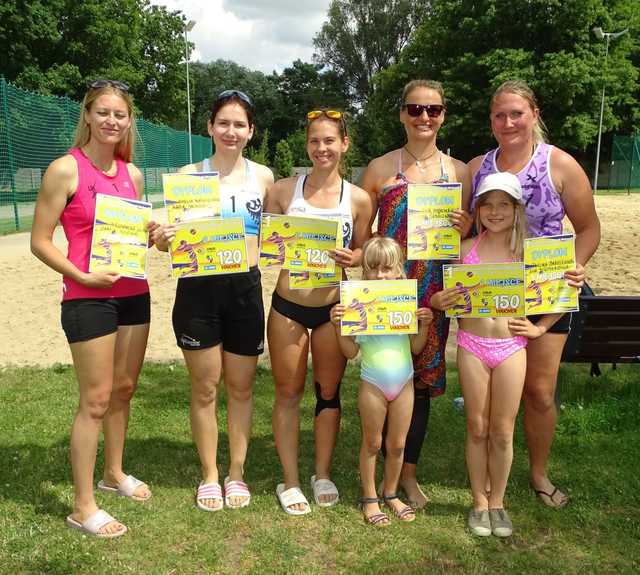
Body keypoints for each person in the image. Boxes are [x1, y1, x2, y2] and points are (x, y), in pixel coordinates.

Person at [468, 80, 601, 508]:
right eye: (499, 115)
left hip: (546, 290)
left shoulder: (559, 164)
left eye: (516, 114)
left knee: (540, 392)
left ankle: (539, 473)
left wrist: (574, 268)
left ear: (534, 114)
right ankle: (488, 465)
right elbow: (469, 230)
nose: (508, 123)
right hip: (494, 290)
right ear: (491, 121)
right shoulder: (478, 167)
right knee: (491, 394)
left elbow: (589, 228)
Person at [31, 79, 155, 538]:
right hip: (88, 297)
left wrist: (154, 235)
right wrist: (81, 276)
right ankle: (83, 505)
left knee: (123, 389)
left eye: (119, 115)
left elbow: (132, 235)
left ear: (128, 121)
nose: (111, 121)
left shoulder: (134, 174)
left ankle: (114, 473)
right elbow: (39, 241)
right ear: (86, 115)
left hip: (133, 293)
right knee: (96, 400)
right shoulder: (66, 169)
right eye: (103, 112)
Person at [153, 90, 274, 510]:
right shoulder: (190, 175)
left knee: (240, 388)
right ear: (209, 127)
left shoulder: (264, 177)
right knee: (205, 388)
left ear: (251, 131)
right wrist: (163, 239)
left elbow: (277, 234)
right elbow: (169, 243)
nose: (231, 131)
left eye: (239, 124)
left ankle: (236, 473)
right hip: (199, 291)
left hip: (245, 289)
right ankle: (209, 474)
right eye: (223, 122)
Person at [360, 79, 473, 507]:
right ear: (402, 114)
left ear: (443, 114)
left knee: (420, 383)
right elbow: (365, 237)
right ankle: (375, 465)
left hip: (433, 294)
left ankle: (406, 474)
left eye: (433, 109)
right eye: (415, 109)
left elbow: (475, 239)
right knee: (381, 370)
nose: (424, 117)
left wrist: (467, 230)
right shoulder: (379, 168)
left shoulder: (459, 172)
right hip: (389, 289)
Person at [432, 172, 561, 536]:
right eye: (487, 204)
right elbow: (441, 297)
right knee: (477, 426)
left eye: (504, 204)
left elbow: (560, 297)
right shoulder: (464, 249)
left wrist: (539, 328)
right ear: (478, 209)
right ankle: (479, 501)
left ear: (517, 209)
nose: (495, 211)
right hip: (472, 346)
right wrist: (440, 301)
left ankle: (498, 502)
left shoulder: (529, 253)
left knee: (503, 432)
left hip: (511, 348)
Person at [265, 108, 374, 515]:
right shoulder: (281, 191)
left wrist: (355, 254)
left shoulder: (359, 198)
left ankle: (321, 473)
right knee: (288, 392)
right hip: (288, 306)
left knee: (328, 393)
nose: (322, 148)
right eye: (315, 141)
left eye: (330, 140)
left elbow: (365, 248)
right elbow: (267, 241)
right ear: (306, 145)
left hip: (333, 309)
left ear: (344, 144)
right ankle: (290, 480)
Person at [330, 237, 432, 526]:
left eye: (386, 269)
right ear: (365, 272)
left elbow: (414, 348)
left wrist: (423, 324)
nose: (379, 275)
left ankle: (391, 492)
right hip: (373, 382)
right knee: (373, 442)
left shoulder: (404, 303)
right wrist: (340, 327)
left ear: (399, 271)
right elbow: (350, 353)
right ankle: (370, 496)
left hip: (405, 383)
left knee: (397, 445)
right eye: (372, 269)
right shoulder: (360, 305)